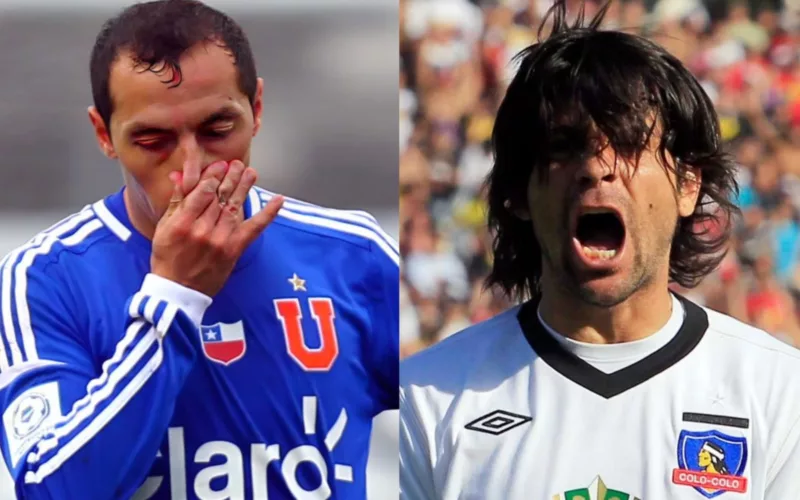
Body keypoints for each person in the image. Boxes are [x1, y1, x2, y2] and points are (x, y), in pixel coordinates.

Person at [399, 1, 800, 498]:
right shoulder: (425, 397)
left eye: (629, 144)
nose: (597, 168)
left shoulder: (780, 393)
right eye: (565, 147)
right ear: (519, 194)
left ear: (687, 186)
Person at [0, 1, 399, 498]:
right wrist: (173, 294)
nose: (192, 169)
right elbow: (51, 488)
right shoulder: (44, 279)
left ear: (256, 109)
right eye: (152, 139)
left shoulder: (355, 256)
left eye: (217, 130)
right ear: (105, 135)